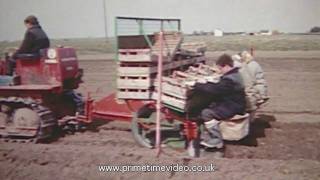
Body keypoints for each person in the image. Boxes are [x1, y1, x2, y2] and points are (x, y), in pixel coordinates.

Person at [193, 54, 246, 148]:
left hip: (233, 106)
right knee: (210, 106)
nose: (220, 71)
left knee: (206, 113)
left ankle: (216, 139)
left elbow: (216, 89)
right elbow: (219, 87)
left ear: (226, 66)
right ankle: (209, 134)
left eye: (220, 69)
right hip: (235, 103)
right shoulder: (235, 74)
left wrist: (198, 85)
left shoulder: (230, 79)